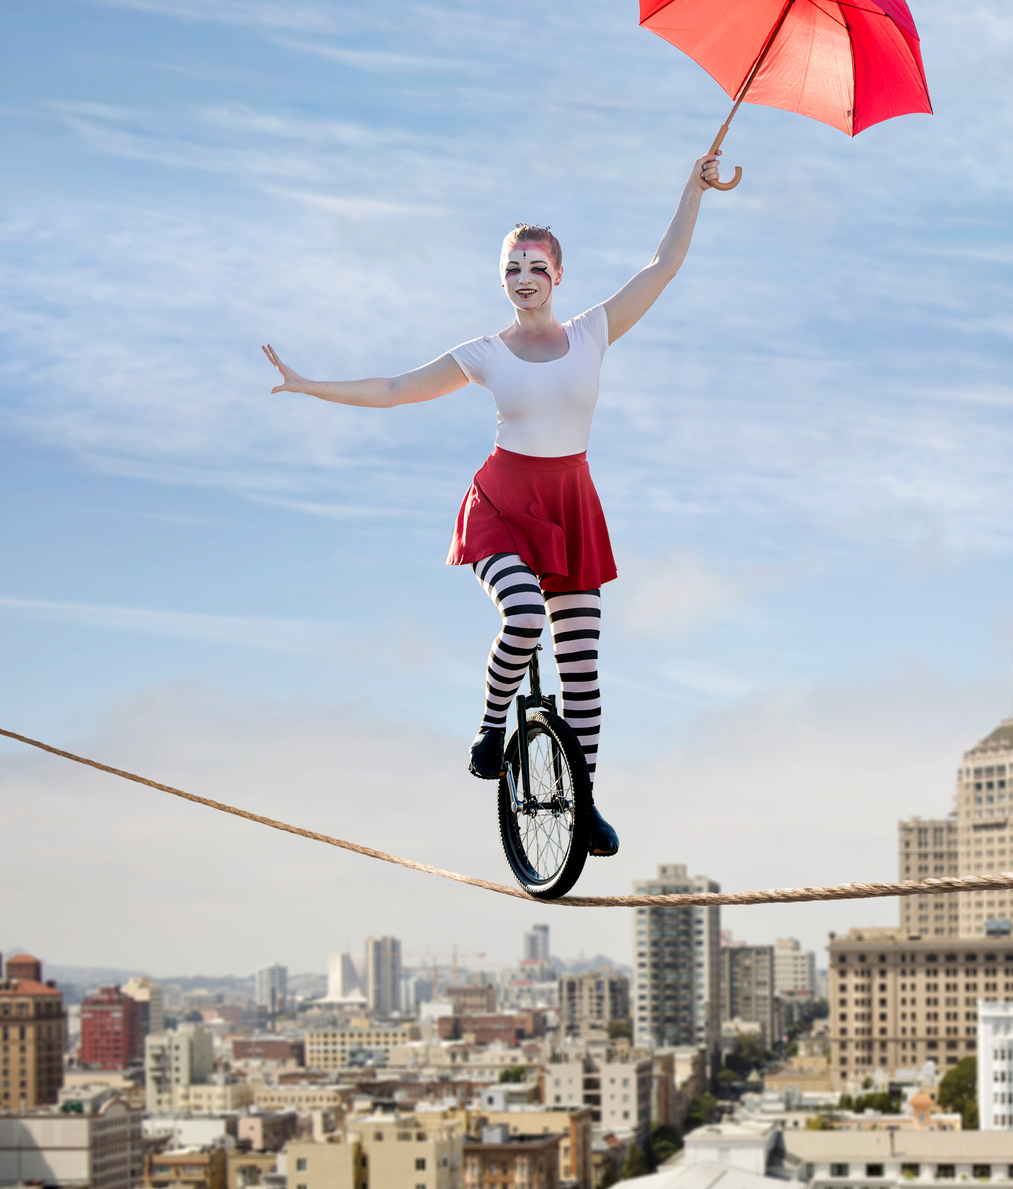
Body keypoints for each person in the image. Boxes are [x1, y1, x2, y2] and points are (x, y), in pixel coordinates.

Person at [263, 151, 724, 857]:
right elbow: (393, 389)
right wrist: (307, 384)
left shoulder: (593, 333)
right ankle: (490, 728)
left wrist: (691, 189)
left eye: (537, 266)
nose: (524, 277)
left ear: (559, 275)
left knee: (582, 669)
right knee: (524, 615)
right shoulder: (485, 353)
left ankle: (586, 803)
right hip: (502, 506)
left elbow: (662, 266)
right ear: (501, 278)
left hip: (570, 505)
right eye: (512, 267)